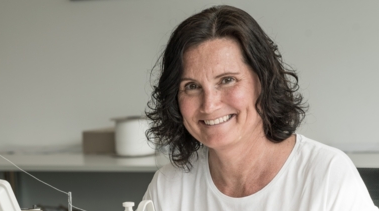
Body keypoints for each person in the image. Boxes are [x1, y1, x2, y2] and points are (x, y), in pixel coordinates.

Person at [143, 5, 378, 211]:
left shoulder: (327, 175)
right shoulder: (168, 187)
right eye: (192, 86)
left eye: (227, 80)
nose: (209, 104)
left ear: (263, 81)